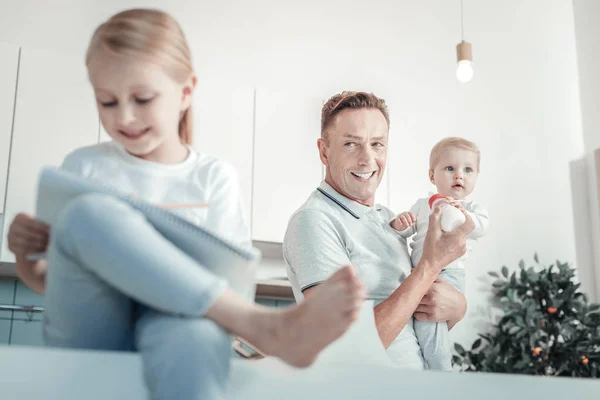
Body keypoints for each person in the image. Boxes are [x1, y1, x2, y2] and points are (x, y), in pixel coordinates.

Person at [7, 9, 364, 400]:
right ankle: (261, 326)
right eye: (107, 102)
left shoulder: (213, 178)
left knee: (194, 335)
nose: (124, 116)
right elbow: (48, 280)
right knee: (89, 212)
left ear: (186, 92)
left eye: (142, 98)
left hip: (178, 329)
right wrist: (27, 257)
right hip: (91, 335)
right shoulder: (83, 166)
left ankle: (256, 326)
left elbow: (233, 282)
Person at [283, 91, 474, 369]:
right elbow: (346, 348)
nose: (367, 159)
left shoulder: (387, 220)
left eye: (377, 144)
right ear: (324, 151)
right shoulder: (314, 220)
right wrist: (430, 265)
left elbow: (417, 314)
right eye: (351, 144)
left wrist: (458, 306)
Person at [391, 137, 489, 370]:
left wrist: (463, 215)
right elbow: (402, 232)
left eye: (468, 169)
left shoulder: (472, 208)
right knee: (414, 329)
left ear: (476, 176)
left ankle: (441, 371)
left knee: (430, 326)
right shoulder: (422, 204)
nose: (459, 175)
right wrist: (399, 222)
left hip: (447, 275)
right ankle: (430, 369)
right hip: (418, 273)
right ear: (432, 176)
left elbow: (482, 227)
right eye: (450, 168)